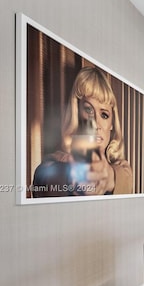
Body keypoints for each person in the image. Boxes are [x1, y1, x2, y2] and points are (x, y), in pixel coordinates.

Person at [32, 66, 133, 197]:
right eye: (89, 110)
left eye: (104, 115)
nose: (96, 123)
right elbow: (44, 178)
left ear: (112, 124)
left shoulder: (122, 169)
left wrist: (107, 177)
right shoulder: (52, 163)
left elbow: (124, 179)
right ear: (77, 115)